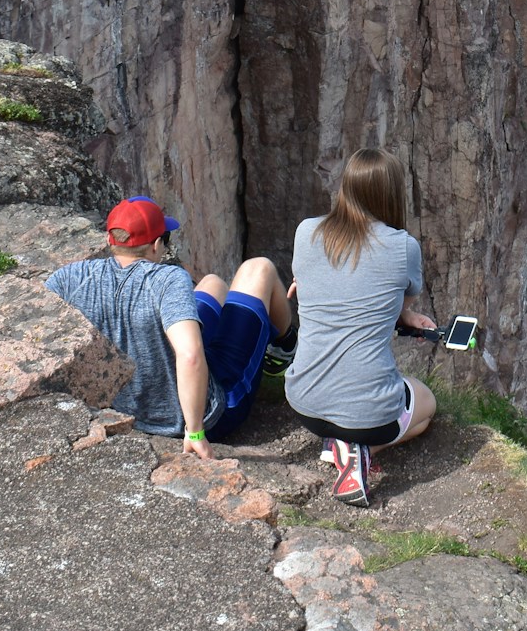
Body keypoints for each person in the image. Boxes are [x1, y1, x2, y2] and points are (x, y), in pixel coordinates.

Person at [45, 196, 295, 457]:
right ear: (156, 245)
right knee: (259, 268)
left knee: (213, 284)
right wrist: (195, 431)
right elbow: (189, 355)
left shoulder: (70, 277)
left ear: (111, 240)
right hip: (200, 414)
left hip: (123, 411)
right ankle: (284, 348)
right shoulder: (168, 279)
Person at [284, 148, 437, 506]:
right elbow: (402, 298)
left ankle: (337, 444)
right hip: (369, 418)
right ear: (391, 193)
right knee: (426, 407)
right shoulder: (403, 247)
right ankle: (360, 451)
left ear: (346, 187)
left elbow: (313, 282)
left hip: (304, 403)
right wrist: (406, 315)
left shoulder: (306, 232)